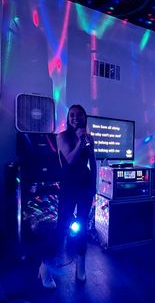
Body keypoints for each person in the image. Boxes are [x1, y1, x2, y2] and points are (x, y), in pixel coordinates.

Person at [38, 105, 97, 288]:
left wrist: (94, 185)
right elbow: (70, 160)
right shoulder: (62, 136)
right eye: (72, 115)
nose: (75, 118)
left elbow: (93, 162)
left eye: (79, 115)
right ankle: (45, 267)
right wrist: (80, 141)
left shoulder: (89, 138)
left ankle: (81, 266)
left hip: (85, 187)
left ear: (84, 117)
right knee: (62, 227)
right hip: (68, 187)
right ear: (68, 118)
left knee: (82, 225)